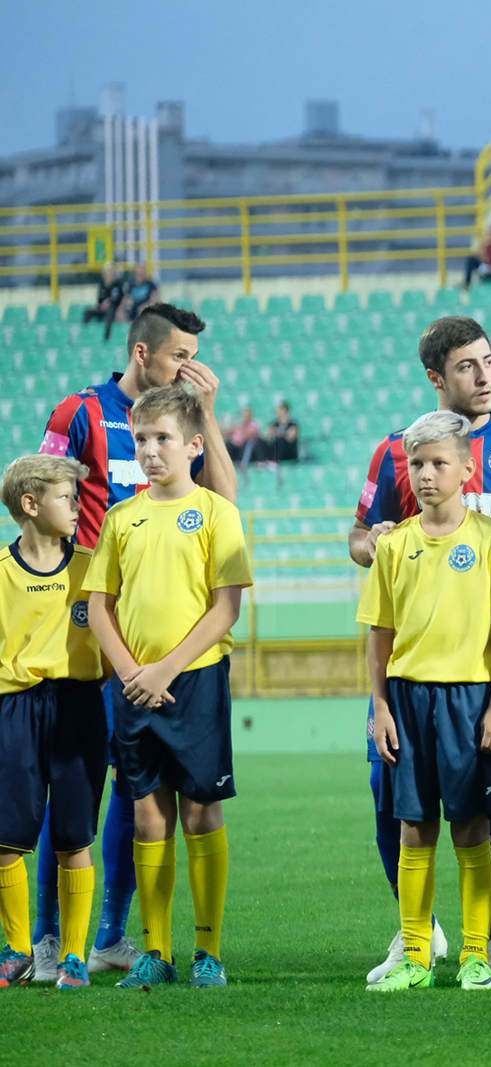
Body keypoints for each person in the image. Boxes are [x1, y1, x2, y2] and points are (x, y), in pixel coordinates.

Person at [349, 315, 491, 986]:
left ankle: (489, 942)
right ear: (436, 377)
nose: (485, 375)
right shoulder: (396, 452)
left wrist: (482, 568)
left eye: (490, 361)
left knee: (487, 805)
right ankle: (417, 935)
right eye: (468, 366)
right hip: (412, 672)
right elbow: (360, 541)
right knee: (395, 803)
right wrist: (383, 540)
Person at [35, 303, 237, 981]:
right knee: (73, 781)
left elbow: (225, 516)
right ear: (145, 352)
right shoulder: (82, 415)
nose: (193, 367)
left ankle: (120, 934)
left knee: (133, 798)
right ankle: (48, 938)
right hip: (87, 622)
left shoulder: (185, 438)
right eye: (182, 354)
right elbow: (42, 497)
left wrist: (206, 416)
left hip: (168, 650)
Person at [84, 385, 254, 990]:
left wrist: (164, 671)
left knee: (200, 814)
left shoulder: (216, 513)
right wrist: (133, 673)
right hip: (135, 688)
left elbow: (225, 609)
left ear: (194, 446)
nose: (151, 452)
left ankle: (208, 951)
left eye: (163, 440)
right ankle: (156, 950)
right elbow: (100, 607)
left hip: (197, 681)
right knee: (147, 817)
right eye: (141, 441)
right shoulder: (121, 517)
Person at [358, 410, 491, 993]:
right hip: (406, 701)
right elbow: (378, 633)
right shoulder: (395, 544)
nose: (426, 475)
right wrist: (379, 705)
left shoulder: (489, 540)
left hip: (470, 699)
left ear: (467, 470)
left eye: (438, 463)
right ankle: (418, 959)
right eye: (417, 465)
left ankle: (476, 956)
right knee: (413, 828)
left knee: (472, 829)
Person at [0, 456, 106, 990]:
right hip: (14, 710)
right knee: (5, 838)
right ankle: (16, 951)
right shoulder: (0, 571)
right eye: (67, 497)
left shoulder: (92, 568)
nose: (78, 506)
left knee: (74, 838)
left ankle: (72, 958)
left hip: (79, 706)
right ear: (30, 504)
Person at [83, 263, 126, 340]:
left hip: (113, 309)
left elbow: (117, 299)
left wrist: (108, 302)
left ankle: (106, 337)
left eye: (110, 273)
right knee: (87, 312)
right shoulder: (102, 286)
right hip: (103, 309)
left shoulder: (117, 285)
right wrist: (100, 305)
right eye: (106, 273)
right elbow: (99, 300)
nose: (108, 275)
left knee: (110, 312)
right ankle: (86, 335)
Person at [262, 401, 300, 465]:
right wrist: (269, 434)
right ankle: (263, 461)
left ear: (285, 411)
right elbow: (267, 437)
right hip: (276, 449)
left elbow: (290, 437)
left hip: (288, 452)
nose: (276, 412)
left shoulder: (293, 425)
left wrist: (277, 433)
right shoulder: (274, 424)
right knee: (260, 441)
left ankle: (275, 462)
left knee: (280, 440)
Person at [224, 405, 261, 470]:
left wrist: (238, 428)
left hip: (247, 447)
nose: (245, 417)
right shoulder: (240, 425)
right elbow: (227, 434)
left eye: (247, 415)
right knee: (228, 444)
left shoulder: (253, 425)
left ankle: (244, 464)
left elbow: (248, 435)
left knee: (249, 444)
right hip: (236, 447)